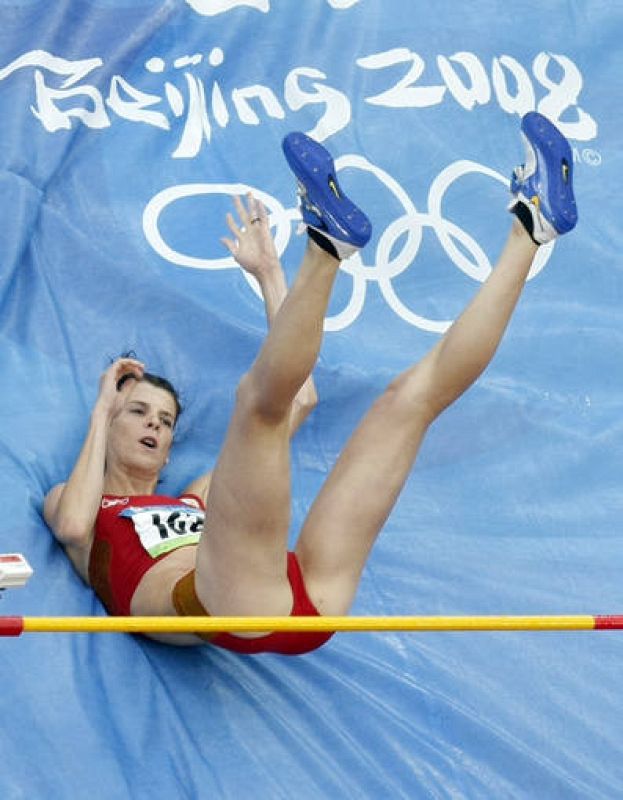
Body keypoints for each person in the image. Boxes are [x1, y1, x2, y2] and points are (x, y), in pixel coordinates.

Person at [43, 112, 577, 655]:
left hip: (293, 592)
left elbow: (300, 398)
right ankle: (324, 252)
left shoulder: (201, 497)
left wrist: (270, 276)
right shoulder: (82, 505)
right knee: (255, 403)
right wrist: (100, 408)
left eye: (164, 419)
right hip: (231, 605)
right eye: (138, 413)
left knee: (409, 399)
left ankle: (531, 228)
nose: (154, 426)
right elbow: (70, 525)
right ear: (110, 419)